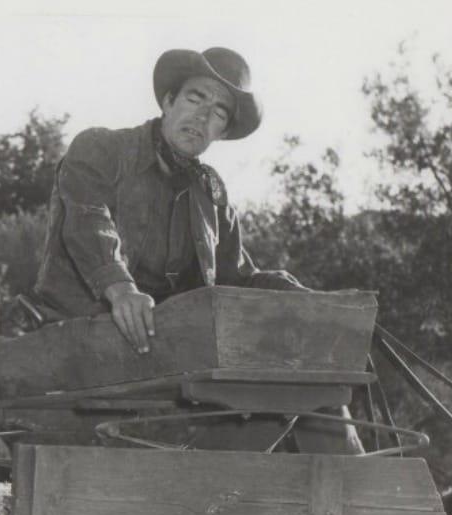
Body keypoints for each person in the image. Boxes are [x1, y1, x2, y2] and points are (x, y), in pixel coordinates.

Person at [34, 46, 305, 354]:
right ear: (168, 101)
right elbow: (88, 221)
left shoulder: (211, 196)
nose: (202, 117)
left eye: (218, 113)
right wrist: (121, 290)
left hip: (167, 351)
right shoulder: (101, 148)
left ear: (222, 132)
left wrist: (299, 296)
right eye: (195, 98)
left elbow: (236, 279)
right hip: (75, 336)